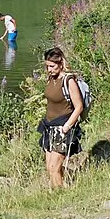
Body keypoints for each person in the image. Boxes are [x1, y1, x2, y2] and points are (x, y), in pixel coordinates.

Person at [38, 45, 86, 190]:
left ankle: (59, 197)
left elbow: (79, 106)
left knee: (54, 167)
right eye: (47, 66)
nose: (49, 70)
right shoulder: (50, 79)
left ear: (60, 63)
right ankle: (64, 187)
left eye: (52, 66)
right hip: (48, 126)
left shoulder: (69, 80)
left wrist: (67, 127)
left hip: (63, 127)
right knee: (49, 168)